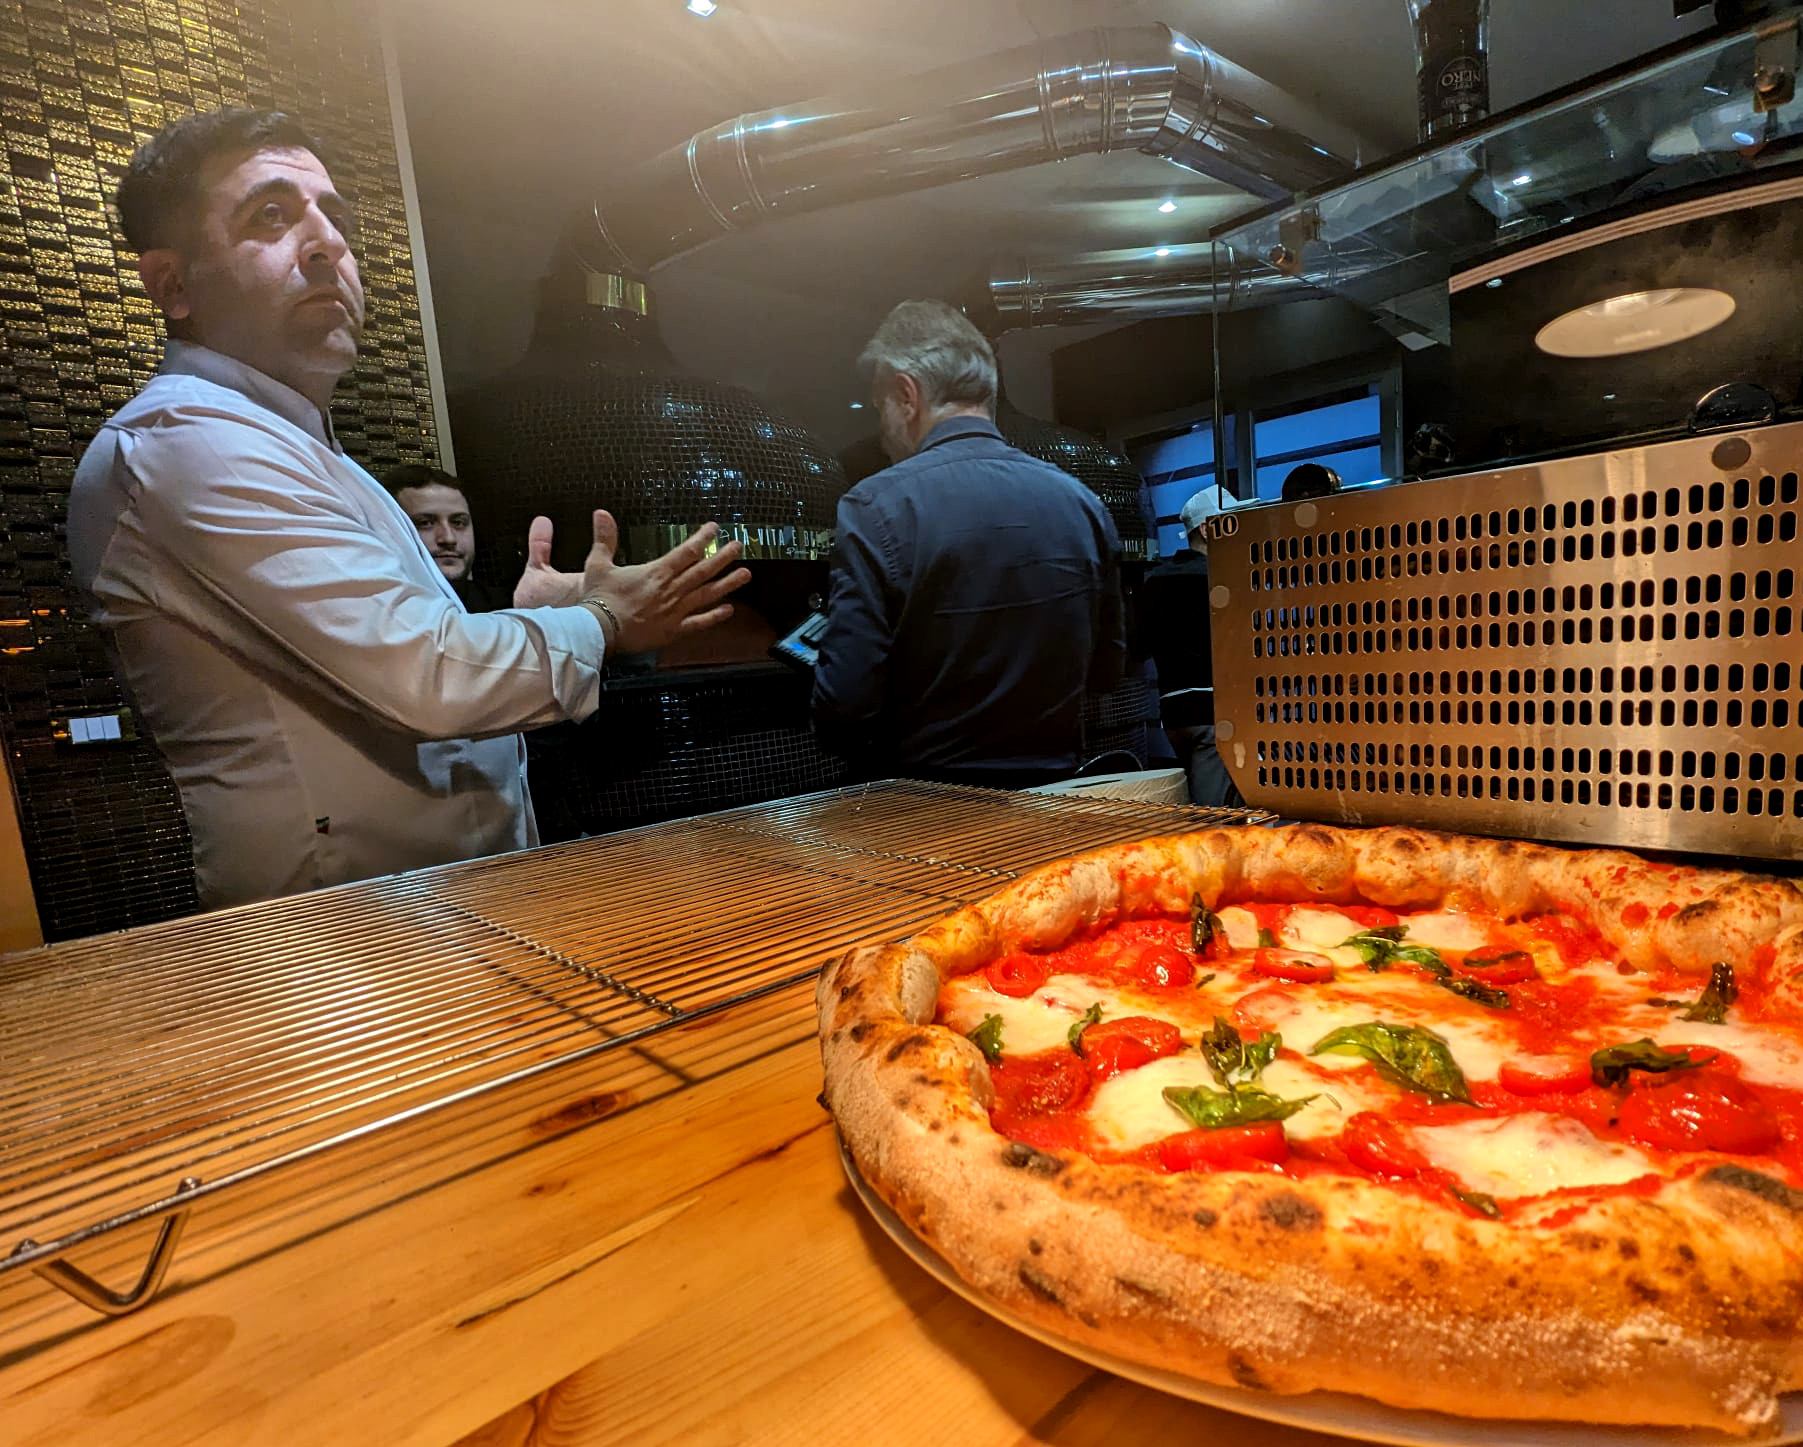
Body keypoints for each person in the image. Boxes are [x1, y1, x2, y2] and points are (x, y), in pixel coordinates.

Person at [67, 107, 749, 909]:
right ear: (172, 284)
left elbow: (409, 649)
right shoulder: (188, 441)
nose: (326, 243)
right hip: (339, 941)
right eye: (272, 215)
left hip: (430, 916)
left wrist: (533, 617)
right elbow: (426, 677)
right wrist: (602, 621)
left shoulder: (304, 448)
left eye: (335, 216)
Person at [812, 301, 1123, 787]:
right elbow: (1107, 672)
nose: (882, 430)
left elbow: (844, 710)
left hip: (924, 810)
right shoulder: (1083, 503)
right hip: (1053, 802)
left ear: (907, 394)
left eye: (880, 408)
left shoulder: (875, 507)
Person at [1134, 484, 1241, 806]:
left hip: (1173, 714)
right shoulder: (1222, 579)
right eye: (1231, 522)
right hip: (1215, 713)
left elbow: (1137, 648)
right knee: (1215, 816)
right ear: (1207, 529)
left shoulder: (1154, 581)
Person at [381, 463, 507, 612]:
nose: (449, 539)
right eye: (425, 523)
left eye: (458, 522)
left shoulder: (509, 611)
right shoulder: (371, 616)